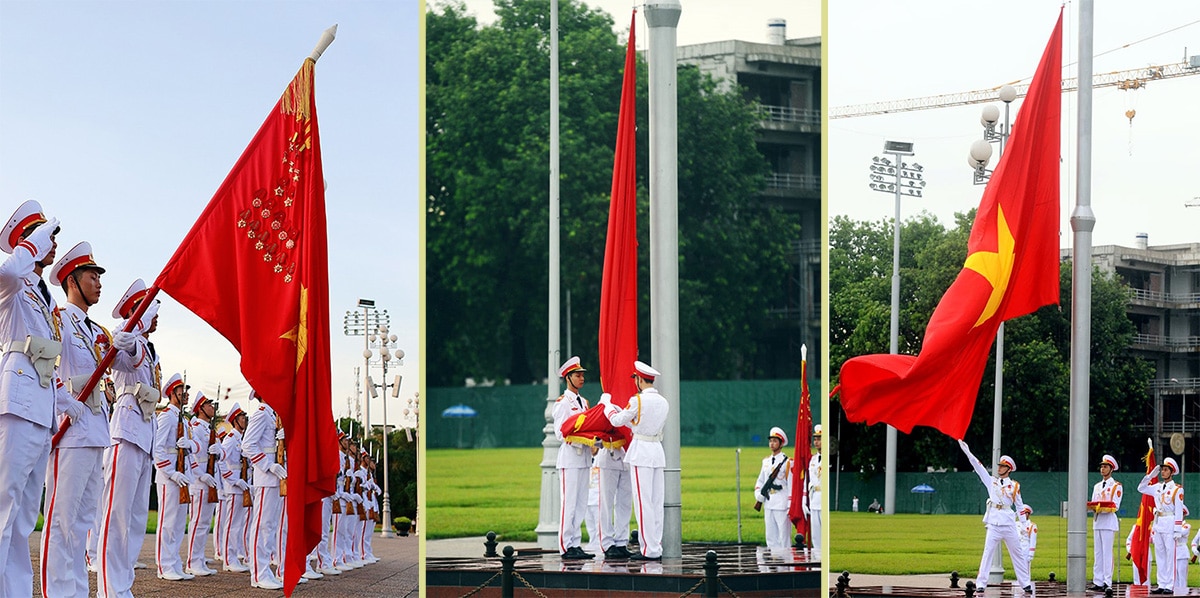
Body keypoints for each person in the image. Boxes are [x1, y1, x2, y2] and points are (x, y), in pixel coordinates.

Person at [39, 240, 108, 598]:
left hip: (95, 430)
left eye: (99, 276)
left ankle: (77, 591)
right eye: (91, 276)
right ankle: (56, 592)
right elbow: (45, 361)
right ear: (71, 281)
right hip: (71, 432)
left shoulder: (97, 333)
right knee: (62, 520)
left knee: (82, 522)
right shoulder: (61, 320)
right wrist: (64, 401)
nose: (98, 283)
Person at [0, 201, 62, 598]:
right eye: (45, 236)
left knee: (23, 518)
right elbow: (9, 269)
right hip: (17, 401)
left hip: (41, 406)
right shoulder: (13, 282)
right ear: (26, 241)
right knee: (3, 506)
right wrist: (34, 243)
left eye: (52, 237)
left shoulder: (45, 296)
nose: (52, 243)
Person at [95, 279, 162, 598]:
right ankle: (110, 587)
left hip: (144, 434)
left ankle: (122, 586)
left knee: (135, 520)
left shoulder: (149, 347)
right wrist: (130, 337)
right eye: (152, 310)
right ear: (139, 311)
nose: (158, 317)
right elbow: (124, 359)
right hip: (125, 429)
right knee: (117, 514)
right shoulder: (126, 336)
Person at [605, 360, 668, 561]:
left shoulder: (637, 401)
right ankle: (655, 547)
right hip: (657, 451)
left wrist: (607, 406)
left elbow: (616, 420)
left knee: (643, 503)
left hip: (642, 451)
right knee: (656, 502)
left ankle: (648, 550)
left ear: (640, 380)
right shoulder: (663, 402)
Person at [958, 439, 1032, 593]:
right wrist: (967, 451)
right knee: (987, 554)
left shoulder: (1015, 486)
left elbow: (1019, 506)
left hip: (1009, 523)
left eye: (1003, 466)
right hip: (994, 523)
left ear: (1009, 469)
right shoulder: (992, 482)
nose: (999, 468)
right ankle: (981, 584)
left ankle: (1025, 583)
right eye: (999, 465)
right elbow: (978, 467)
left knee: (1017, 554)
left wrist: (1024, 525)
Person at [243, 394, 288, 590]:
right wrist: (268, 465)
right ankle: (258, 574)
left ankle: (264, 570)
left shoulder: (272, 414)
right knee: (262, 526)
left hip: (275, 478)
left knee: (269, 526)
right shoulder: (261, 414)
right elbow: (247, 445)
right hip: (265, 477)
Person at [153, 372, 195, 581]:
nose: (186, 395)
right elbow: (158, 449)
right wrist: (170, 473)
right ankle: (164, 566)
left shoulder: (183, 420)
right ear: (173, 393)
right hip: (169, 477)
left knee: (179, 523)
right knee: (167, 522)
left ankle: (175, 563)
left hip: (182, 476)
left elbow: (193, 447)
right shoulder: (167, 417)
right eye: (182, 391)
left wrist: (190, 446)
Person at [552, 356, 594, 559]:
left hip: (585, 459)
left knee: (581, 503)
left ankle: (576, 544)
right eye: (577, 375)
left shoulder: (584, 402)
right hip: (570, 458)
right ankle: (565, 546)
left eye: (582, 375)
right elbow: (560, 433)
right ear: (568, 378)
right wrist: (582, 439)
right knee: (569, 504)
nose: (581, 378)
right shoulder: (563, 403)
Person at [184, 390, 222, 576]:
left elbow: (219, 456)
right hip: (200, 482)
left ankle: (199, 559)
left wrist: (219, 450)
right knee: (198, 522)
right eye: (208, 404)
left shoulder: (207, 428)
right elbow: (191, 456)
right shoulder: (196, 427)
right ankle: (192, 561)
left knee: (205, 523)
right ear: (200, 409)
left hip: (210, 480)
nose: (211, 407)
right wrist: (200, 476)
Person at [1138, 457, 1186, 594]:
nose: (1163, 472)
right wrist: (1150, 475)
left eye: (1165, 470)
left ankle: (1169, 585)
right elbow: (1141, 488)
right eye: (1162, 470)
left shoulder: (1177, 489)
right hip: (1158, 523)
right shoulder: (1157, 487)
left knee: (1170, 555)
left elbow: (1178, 510)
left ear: (1172, 472)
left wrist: (1177, 529)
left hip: (1170, 522)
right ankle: (1161, 583)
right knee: (1160, 555)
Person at [218, 401, 252, 572]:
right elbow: (221, 461)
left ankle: (234, 556)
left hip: (242, 485)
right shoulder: (231, 439)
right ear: (235, 420)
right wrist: (232, 480)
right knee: (231, 524)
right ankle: (228, 560)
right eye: (241, 417)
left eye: (244, 417)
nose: (244, 420)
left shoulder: (240, 439)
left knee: (238, 524)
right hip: (233, 486)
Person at [755, 426, 792, 549]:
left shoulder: (787, 462)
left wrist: (790, 504)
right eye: (770, 441)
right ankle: (773, 562)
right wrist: (759, 495)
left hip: (782, 503)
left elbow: (790, 483)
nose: (772, 443)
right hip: (769, 502)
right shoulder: (765, 461)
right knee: (770, 537)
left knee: (783, 537)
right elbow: (760, 481)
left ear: (781, 444)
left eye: (775, 441)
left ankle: (785, 566)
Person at [1090, 454, 1123, 591]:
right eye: (1102, 467)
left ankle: (1107, 582)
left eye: (1105, 467)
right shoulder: (1097, 486)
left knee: (1107, 553)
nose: (1102, 469)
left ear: (1111, 469)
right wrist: (1094, 507)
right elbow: (1093, 502)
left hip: (1108, 521)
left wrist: (1100, 507)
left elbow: (1115, 505)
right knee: (1098, 553)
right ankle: (1097, 581)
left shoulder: (1116, 486)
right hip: (1098, 521)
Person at [804, 424, 823, 554]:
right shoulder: (813, 460)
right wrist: (804, 500)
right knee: (816, 537)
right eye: (815, 439)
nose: (816, 441)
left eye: (819, 438)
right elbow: (808, 480)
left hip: (823, 499)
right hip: (814, 499)